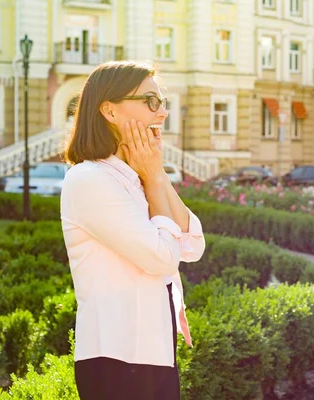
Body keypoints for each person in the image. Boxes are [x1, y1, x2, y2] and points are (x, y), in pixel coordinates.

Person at [60, 60, 205, 400]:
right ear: (109, 110)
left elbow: (193, 243)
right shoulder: (89, 180)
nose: (162, 113)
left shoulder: (137, 177)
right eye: (150, 102)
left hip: (154, 353)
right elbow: (162, 259)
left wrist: (155, 174)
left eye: (162, 102)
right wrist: (154, 178)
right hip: (115, 357)